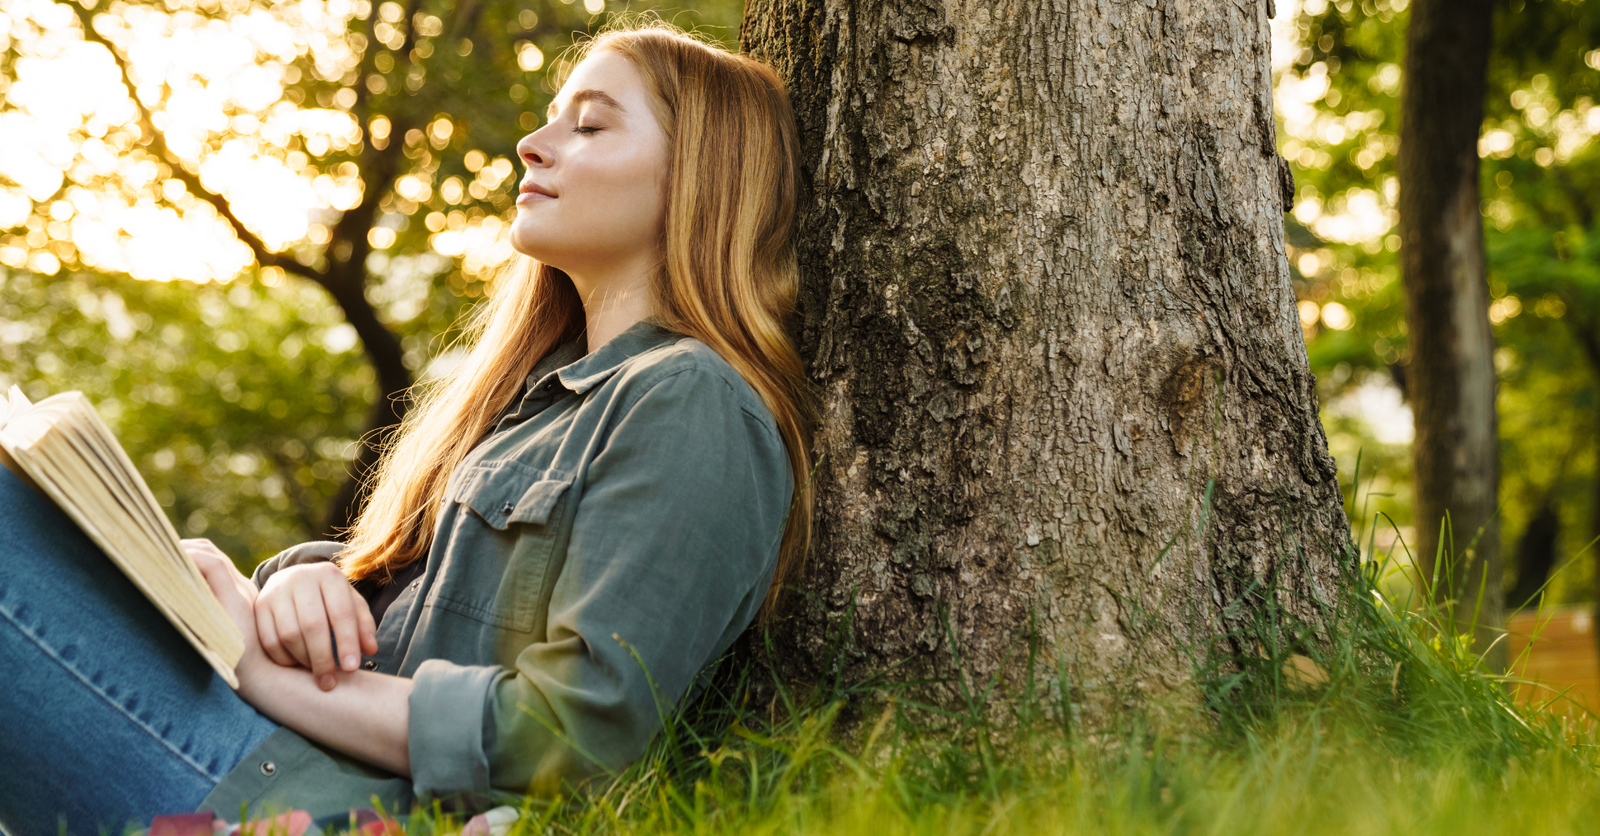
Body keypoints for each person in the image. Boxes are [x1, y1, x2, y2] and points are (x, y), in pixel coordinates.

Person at [0, 20, 814, 834]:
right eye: (550, 116)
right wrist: (304, 583)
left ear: (700, 178)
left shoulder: (690, 401)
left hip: (311, 800)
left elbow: (576, 732)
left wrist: (266, 672)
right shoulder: (527, 398)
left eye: (590, 125)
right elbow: (422, 594)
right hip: (268, 751)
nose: (533, 144)